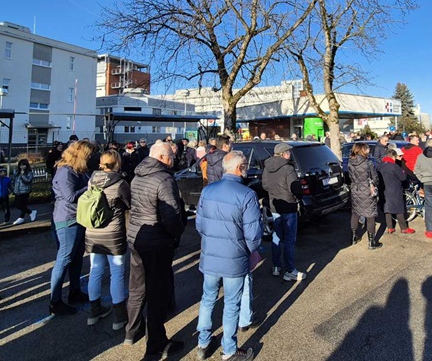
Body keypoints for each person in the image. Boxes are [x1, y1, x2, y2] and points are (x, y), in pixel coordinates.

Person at [196, 151, 261, 361]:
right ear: (240, 168)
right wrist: (248, 250)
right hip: (234, 257)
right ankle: (230, 350)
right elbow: (253, 235)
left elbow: (199, 224)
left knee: (207, 298)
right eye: (246, 166)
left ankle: (203, 343)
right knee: (231, 303)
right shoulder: (247, 195)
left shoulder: (208, 191)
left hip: (211, 254)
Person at [125, 142, 186, 357]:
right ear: (161, 157)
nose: (173, 161)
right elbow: (172, 214)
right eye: (170, 157)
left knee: (137, 287)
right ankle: (155, 345)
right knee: (157, 294)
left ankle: (131, 331)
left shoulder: (138, 175)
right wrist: (176, 234)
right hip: (157, 242)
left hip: (137, 238)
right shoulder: (164, 179)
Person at [85, 150, 131, 330]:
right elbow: (129, 203)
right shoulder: (120, 183)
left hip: (93, 231)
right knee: (116, 273)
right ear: (117, 163)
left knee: (95, 271)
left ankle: (93, 311)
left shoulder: (91, 180)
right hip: (113, 232)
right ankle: (119, 317)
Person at [50, 140, 93, 315]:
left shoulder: (77, 171)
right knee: (64, 258)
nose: (90, 158)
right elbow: (70, 197)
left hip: (77, 218)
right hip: (67, 219)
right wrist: (89, 187)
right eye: (88, 155)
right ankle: (55, 300)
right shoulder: (65, 172)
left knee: (76, 257)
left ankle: (74, 291)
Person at [262, 143, 307, 280]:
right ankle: (290, 270)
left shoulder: (267, 168)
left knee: (277, 236)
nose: (290, 154)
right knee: (289, 240)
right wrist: (298, 197)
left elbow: (264, 185)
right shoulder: (288, 168)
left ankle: (276, 266)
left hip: (275, 206)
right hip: (288, 206)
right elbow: (295, 188)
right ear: (284, 154)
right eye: (289, 152)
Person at [348, 143, 382, 249]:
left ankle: (354, 237)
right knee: (370, 214)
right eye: (367, 149)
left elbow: (350, 176)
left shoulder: (350, 162)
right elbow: (375, 178)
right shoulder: (368, 163)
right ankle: (371, 242)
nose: (368, 151)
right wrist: (375, 185)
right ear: (363, 150)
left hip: (355, 189)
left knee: (355, 212)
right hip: (367, 190)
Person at [377, 149, 415, 235]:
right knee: (399, 209)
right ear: (393, 157)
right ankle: (404, 228)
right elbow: (402, 178)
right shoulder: (394, 166)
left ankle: (390, 227)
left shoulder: (380, 165)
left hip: (383, 189)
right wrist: (404, 172)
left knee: (387, 209)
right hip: (395, 189)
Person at [12, 159, 37, 225]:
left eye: (24, 165)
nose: (22, 167)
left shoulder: (29, 172)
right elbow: (14, 180)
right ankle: (30, 212)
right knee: (17, 204)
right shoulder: (17, 172)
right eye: (20, 165)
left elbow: (28, 181)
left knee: (22, 204)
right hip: (17, 191)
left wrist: (23, 175)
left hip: (25, 191)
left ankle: (22, 217)